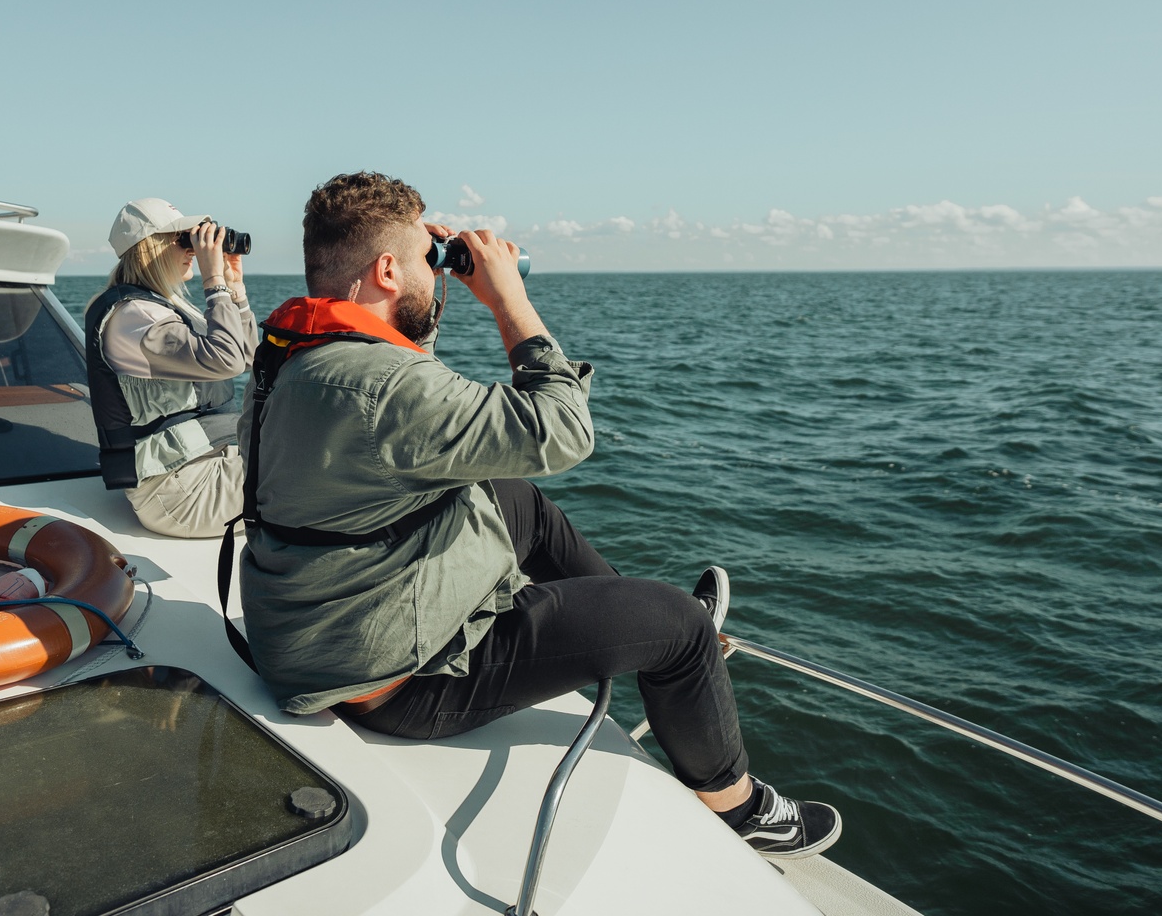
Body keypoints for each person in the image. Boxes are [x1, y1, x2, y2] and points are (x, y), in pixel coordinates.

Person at [233, 171, 841, 857]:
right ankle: (741, 808)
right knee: (678, 626)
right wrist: (507, 298)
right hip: (395, 678)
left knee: (510, 496)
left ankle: (615, 611)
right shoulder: (382, 388)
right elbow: (563, 428)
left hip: (311, 631)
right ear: (386, 269)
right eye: (421, 264)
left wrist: (421, 290)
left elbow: (406, 415)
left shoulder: (290, 358)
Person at [86, 198, 255, 538]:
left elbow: (249, 356)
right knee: (319, 468)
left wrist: (235, 291)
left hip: (200, 468)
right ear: (149, 248)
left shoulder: (162, 308)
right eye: (182, 238)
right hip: (181, 493)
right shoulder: (134, 317)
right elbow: (228, 361)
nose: (193, 248)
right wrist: (214, 282)